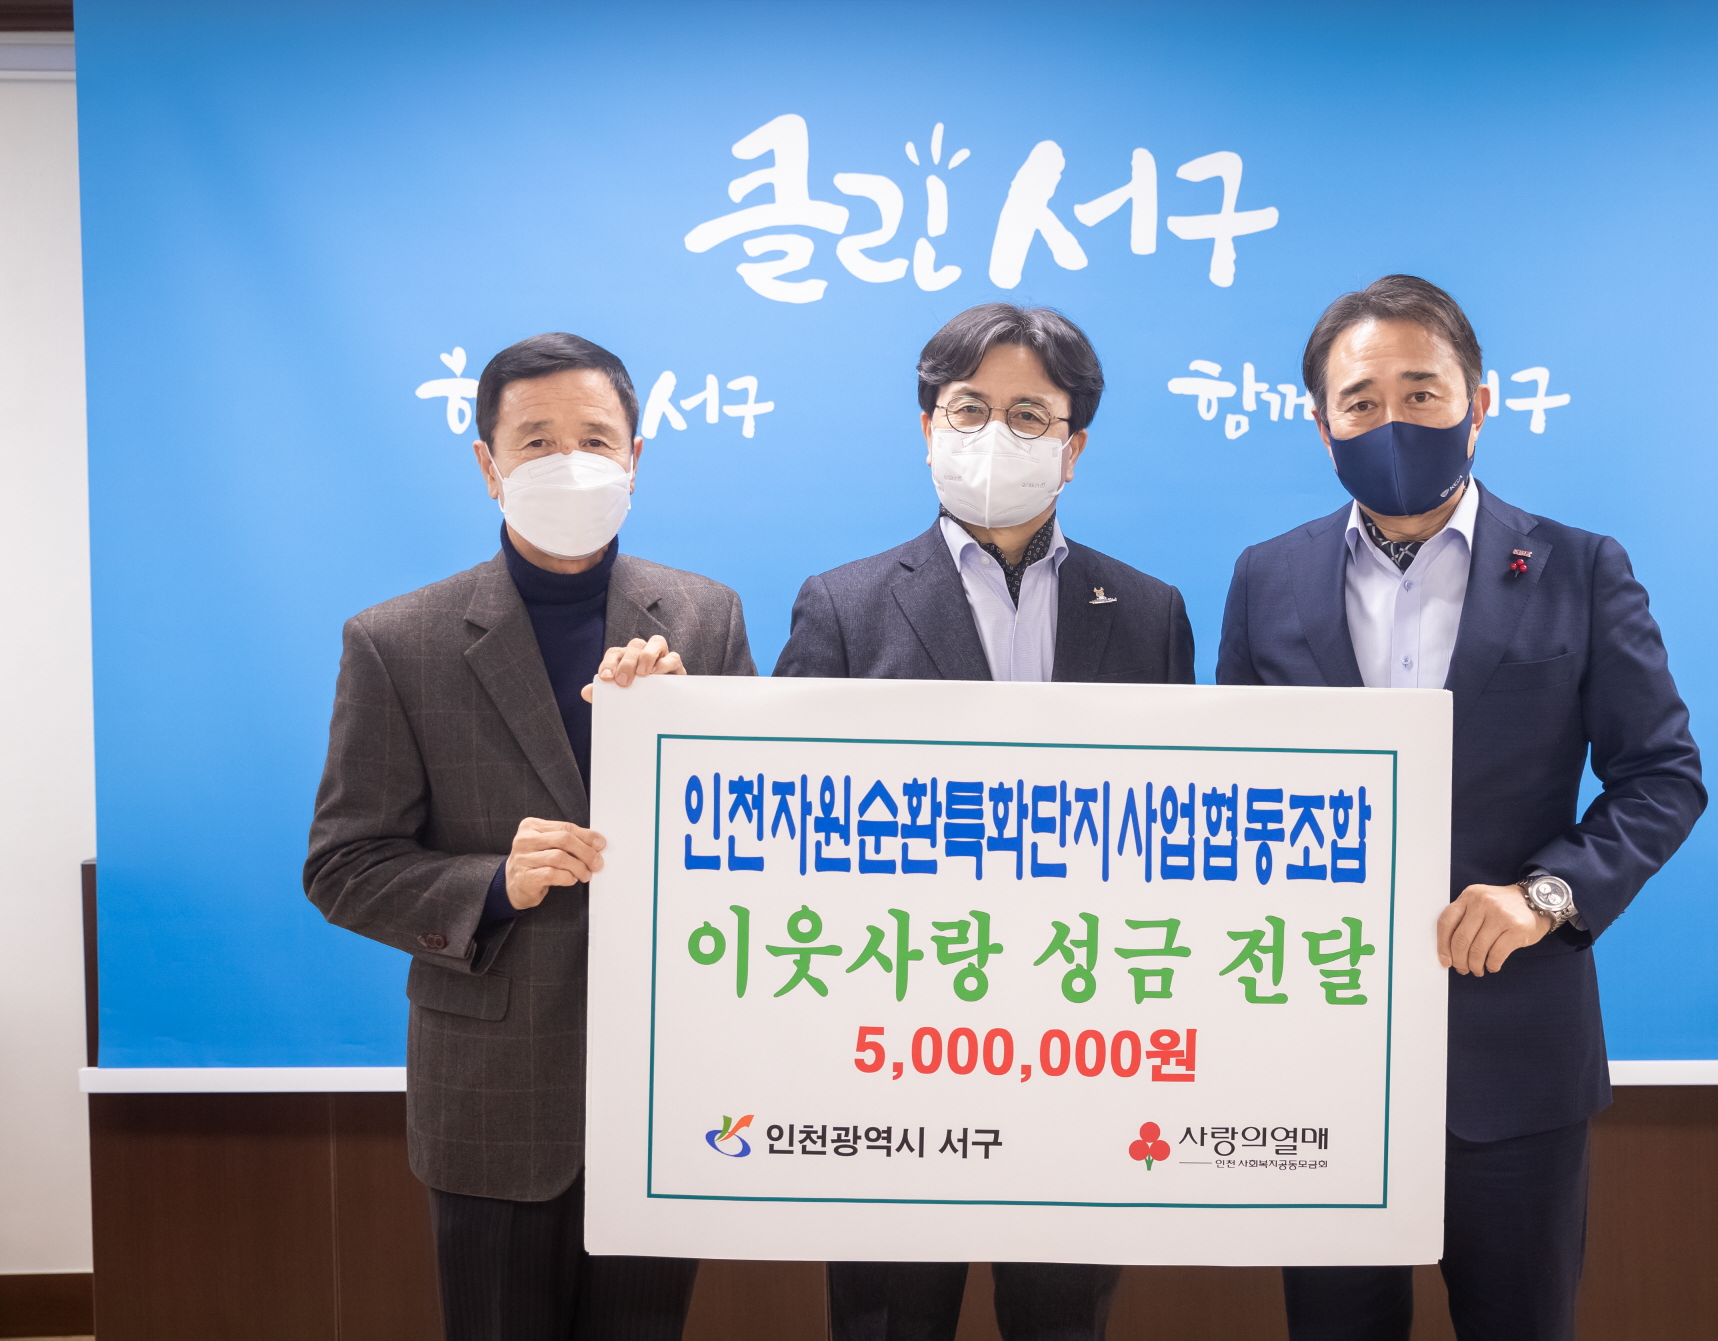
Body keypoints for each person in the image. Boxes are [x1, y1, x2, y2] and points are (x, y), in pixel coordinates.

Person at [1217, 276, 1705, 1341]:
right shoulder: (1266, 577)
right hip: (1321, 1054)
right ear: (1321, 424)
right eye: (1359, 401)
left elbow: (1662, 774)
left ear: (1478, 403)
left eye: (1421, 392)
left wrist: (1545, 894)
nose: (1390, 420)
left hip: (1514, 1051)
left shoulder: (1578, 567)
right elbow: (1232, 796)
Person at [305, 332, 755, 1341]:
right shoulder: (396, 640)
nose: (569, 462)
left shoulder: (704, 616)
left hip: (663, 1083)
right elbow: (342, 865)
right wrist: (491, 882)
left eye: (594, 438)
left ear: (636, 456)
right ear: (488, 464)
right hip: (493, 1094)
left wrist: (692, 733)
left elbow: (753, 843)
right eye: (537, 441)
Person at [772, 302, 1193, 1341]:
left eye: (1028, 414)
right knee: (888, 1318)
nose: (994, 434)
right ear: (928, 427)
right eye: (969, 409)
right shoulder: (842, 605)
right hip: (892, 1047)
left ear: (1072, 446)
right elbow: (785, 833)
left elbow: (1177, 837)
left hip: (1081, 1043)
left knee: (1060, 1318)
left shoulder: (1149, 612)